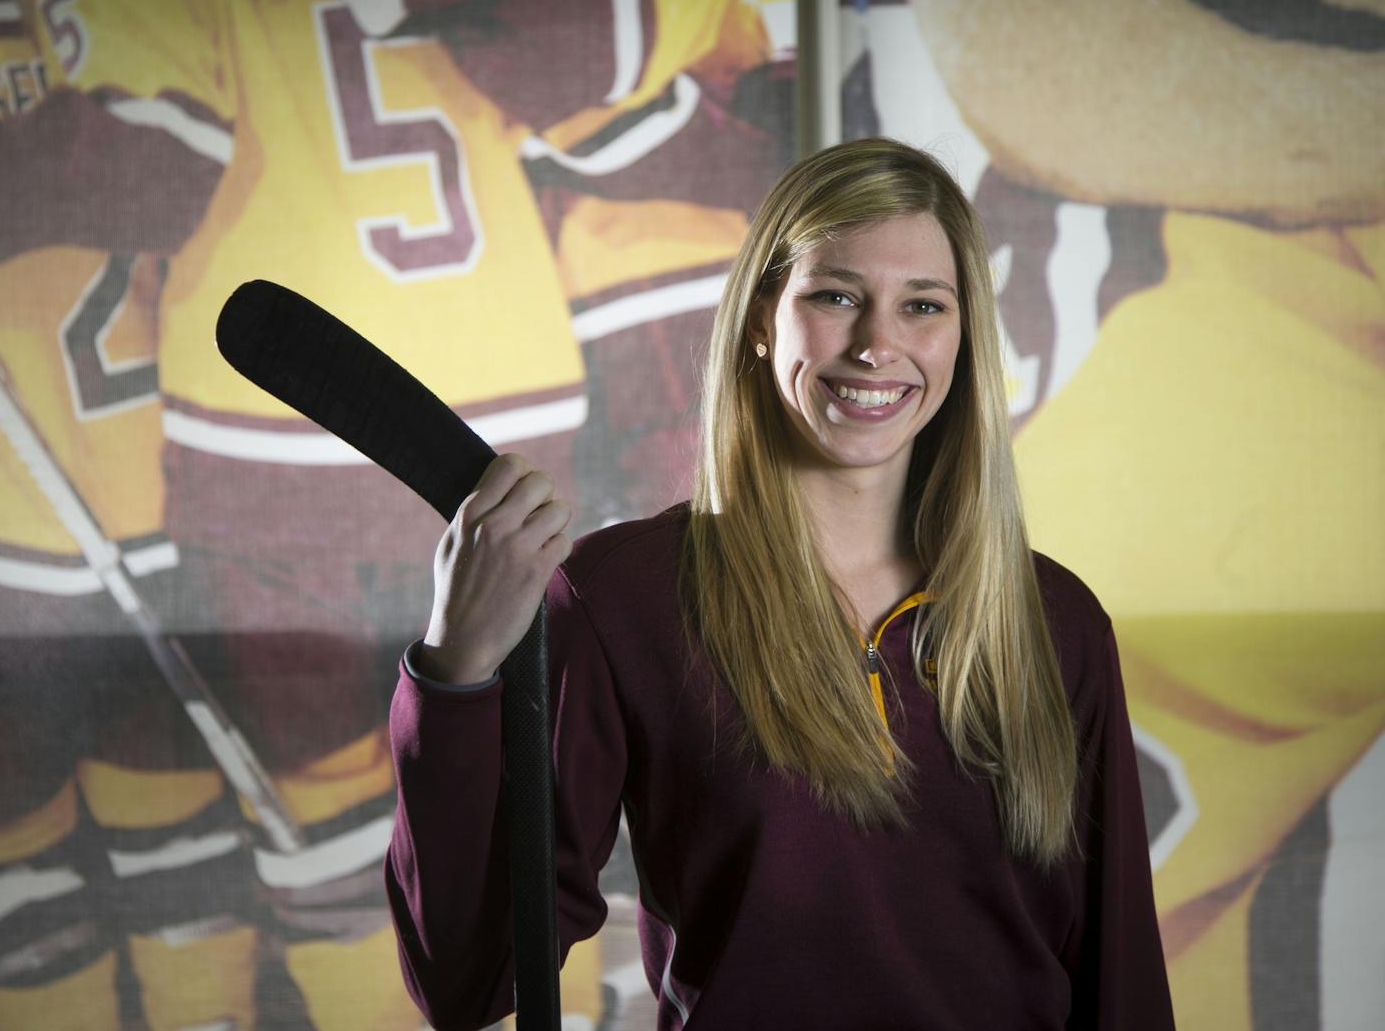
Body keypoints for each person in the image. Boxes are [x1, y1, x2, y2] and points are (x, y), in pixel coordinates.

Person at [385, 138, 1176, 1030]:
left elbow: (1121, 980)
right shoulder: (623, 600)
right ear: (764, 316)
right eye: (836, 296)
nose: (879, 345)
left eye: (923, 305)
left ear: (964, 336)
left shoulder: (1054, 619)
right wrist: (454, 673)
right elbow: (472, 979)